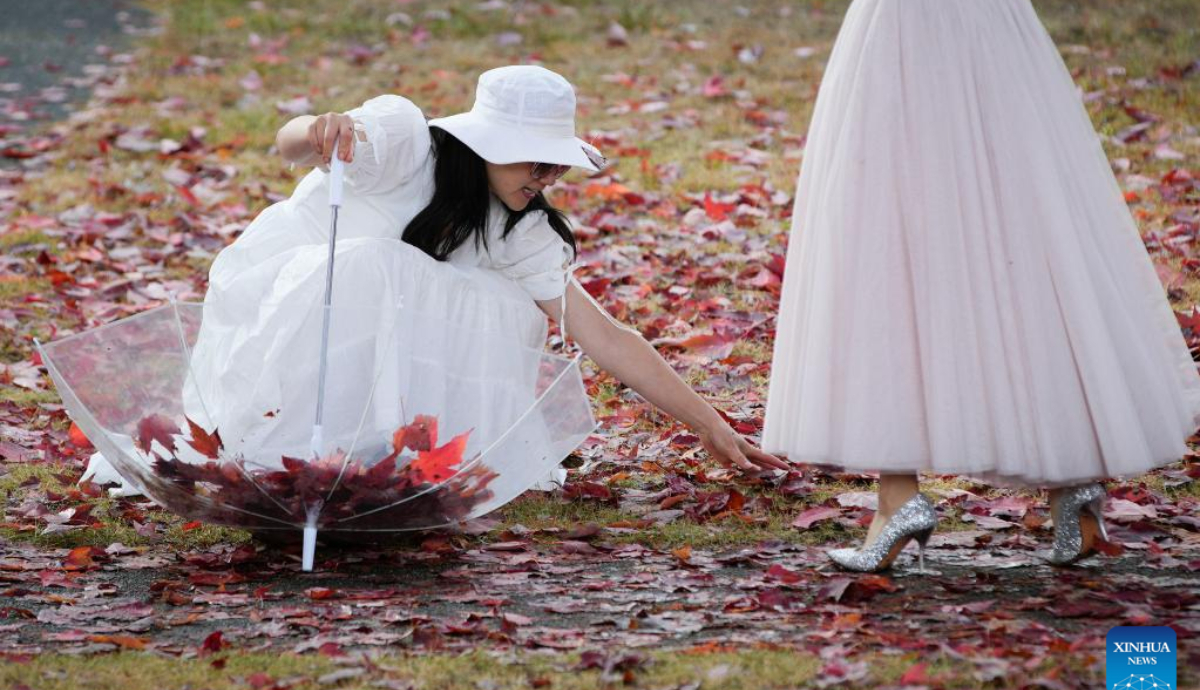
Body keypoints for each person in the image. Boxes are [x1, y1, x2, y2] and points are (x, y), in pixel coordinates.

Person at [84, 65, 786, 501]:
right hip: (287, 302)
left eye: (556, 167)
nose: (547, 180)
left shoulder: (519, 228)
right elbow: (288, 143)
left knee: (500, 303)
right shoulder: (403, 144)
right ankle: (297, 447)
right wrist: (317, 129)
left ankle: (377, 453)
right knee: (376, 263)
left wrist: (711, 426)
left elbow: (605, 334)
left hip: (375, 332)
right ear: (487, 146)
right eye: (533, 163)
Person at [763, 0, 1200, 571]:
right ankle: (1073, 485)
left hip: (905, 30)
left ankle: (897, 499)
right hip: (994, 30)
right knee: (1022, 226)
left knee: (890, 229)